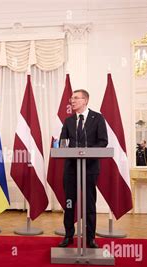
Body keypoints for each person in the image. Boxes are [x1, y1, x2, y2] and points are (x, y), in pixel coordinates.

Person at [58, 89, 108, 249]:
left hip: (89, 168)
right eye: (71, 98)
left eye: (76, 98)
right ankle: (68, 236)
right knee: (70, 203)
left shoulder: (98, 118)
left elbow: (103, 141)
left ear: (85, 100)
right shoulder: (68, 121)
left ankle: (90, 238)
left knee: (89, 204)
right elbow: (63, 143)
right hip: (71, 168)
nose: (72, 101)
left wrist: (86, 151)